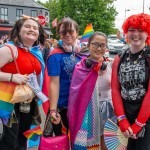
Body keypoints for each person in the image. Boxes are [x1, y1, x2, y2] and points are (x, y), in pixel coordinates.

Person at [0, 15, 46, 150]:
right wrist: (12, 77)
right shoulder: (9, 50)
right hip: (8, 104)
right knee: (9, 142)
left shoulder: (35, 52)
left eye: (35, 28)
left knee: (23, 139)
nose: (32, 29)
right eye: (27, 26)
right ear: (19, 31)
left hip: (28, 102)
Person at [68, 32, 116, 150]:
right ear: (88, 45)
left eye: (103, 45)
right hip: (87, 113)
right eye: (95, 44)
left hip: (108, 111)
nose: (99, 48)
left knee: (108, 144)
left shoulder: (110, 64)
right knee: (90, 146)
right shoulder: (80, 67)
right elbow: (75, 95)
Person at [111, 13, 150, 150]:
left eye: (141, 30)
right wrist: (122, 119)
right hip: (127, 116)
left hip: (147, 118)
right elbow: (115, 89)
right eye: (132, 30)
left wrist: (139, 124)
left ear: (147, 34)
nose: (136, 34)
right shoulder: (119, 57)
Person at [47, 17, 83, 136]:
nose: (68, 34)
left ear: (77, 33)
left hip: (81, 105)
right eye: (63, 32)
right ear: (59, 34)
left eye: (71, 31)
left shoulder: (83, 53)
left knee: (80, 141)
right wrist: (53, 110)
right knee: (62, 141)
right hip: (63, 106)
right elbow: (54, 83)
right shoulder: (55, 56)